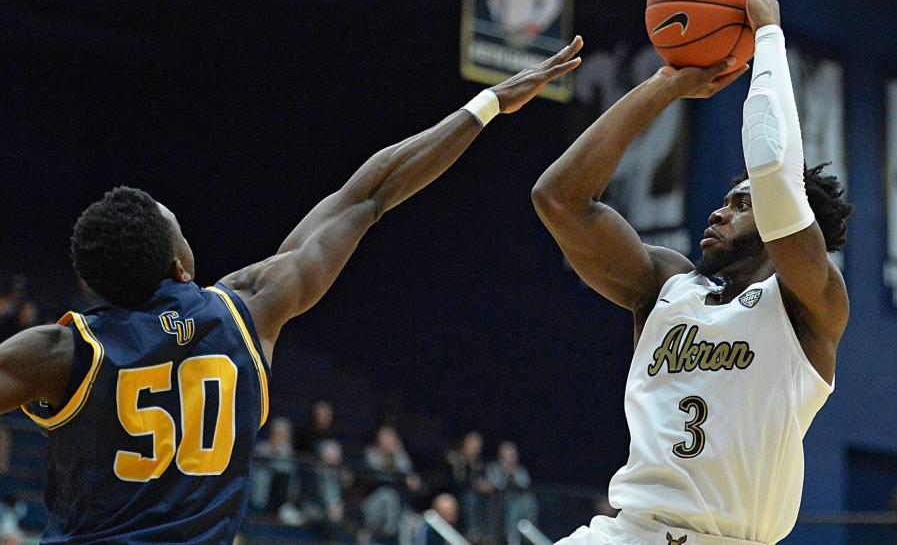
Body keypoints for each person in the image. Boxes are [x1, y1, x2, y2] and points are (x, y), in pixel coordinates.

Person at [0, 38, 582, 543]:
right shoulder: (245, 311)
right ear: (180, 266)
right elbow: (368, 195)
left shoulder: (61, 353)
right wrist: (489, 104)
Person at [532, 0, 852, 545]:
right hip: (624, 533)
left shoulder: (809, 305)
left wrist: (770, 37)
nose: (719, 209)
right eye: (728, 199)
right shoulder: (665, 287)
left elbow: (777, 174)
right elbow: (560, 199)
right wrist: (665, 84)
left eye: (740, 203)